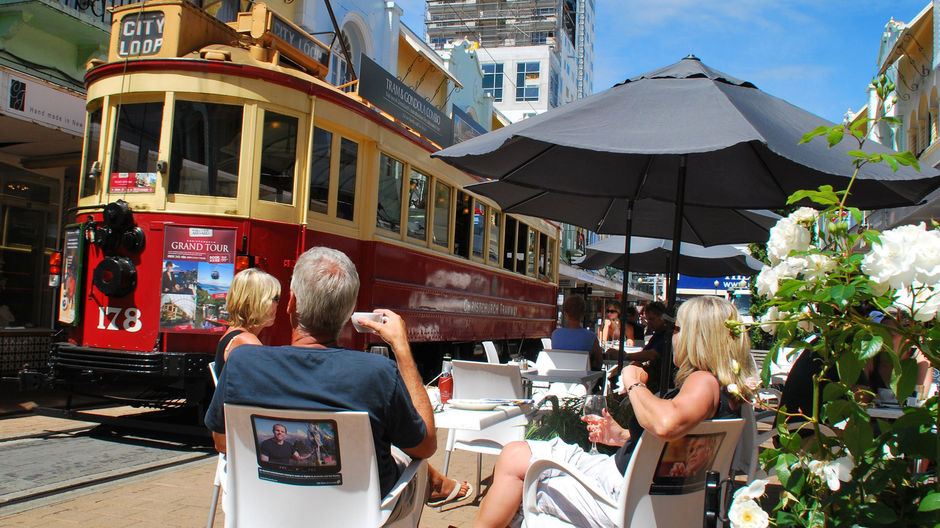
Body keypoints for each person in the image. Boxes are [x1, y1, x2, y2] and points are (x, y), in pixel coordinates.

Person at [204, 246, 469, 505]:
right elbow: (425, 446)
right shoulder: (377, 374)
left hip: (267, 511)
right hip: (358, 517)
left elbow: (223, 441)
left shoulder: (243, 363)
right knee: (411, 463)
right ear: (349, 311)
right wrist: (402, 349)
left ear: (291, 303)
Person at [472, 296, 755, 528]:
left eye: (678, 330)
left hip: (624, 493)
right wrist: (622, 437)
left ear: (699, 337)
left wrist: (633, 383)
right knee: (514, 453)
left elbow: (667, 423)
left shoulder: (703, 381)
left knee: (521, 471)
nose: (674, 337)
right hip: (636, 481)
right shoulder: (730, 393)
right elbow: (677, 453)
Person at [214, 268, 280, 377]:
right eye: (275, 298)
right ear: (258, 302)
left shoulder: (233, 334)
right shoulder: (247, 342)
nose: (278, 304)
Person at [551, 296, 603, 371]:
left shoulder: (555, 334)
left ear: (565, 314)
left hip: (560, 378)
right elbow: (599, 362)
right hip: (583, 380)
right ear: (583, 315)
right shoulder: (591, 337)